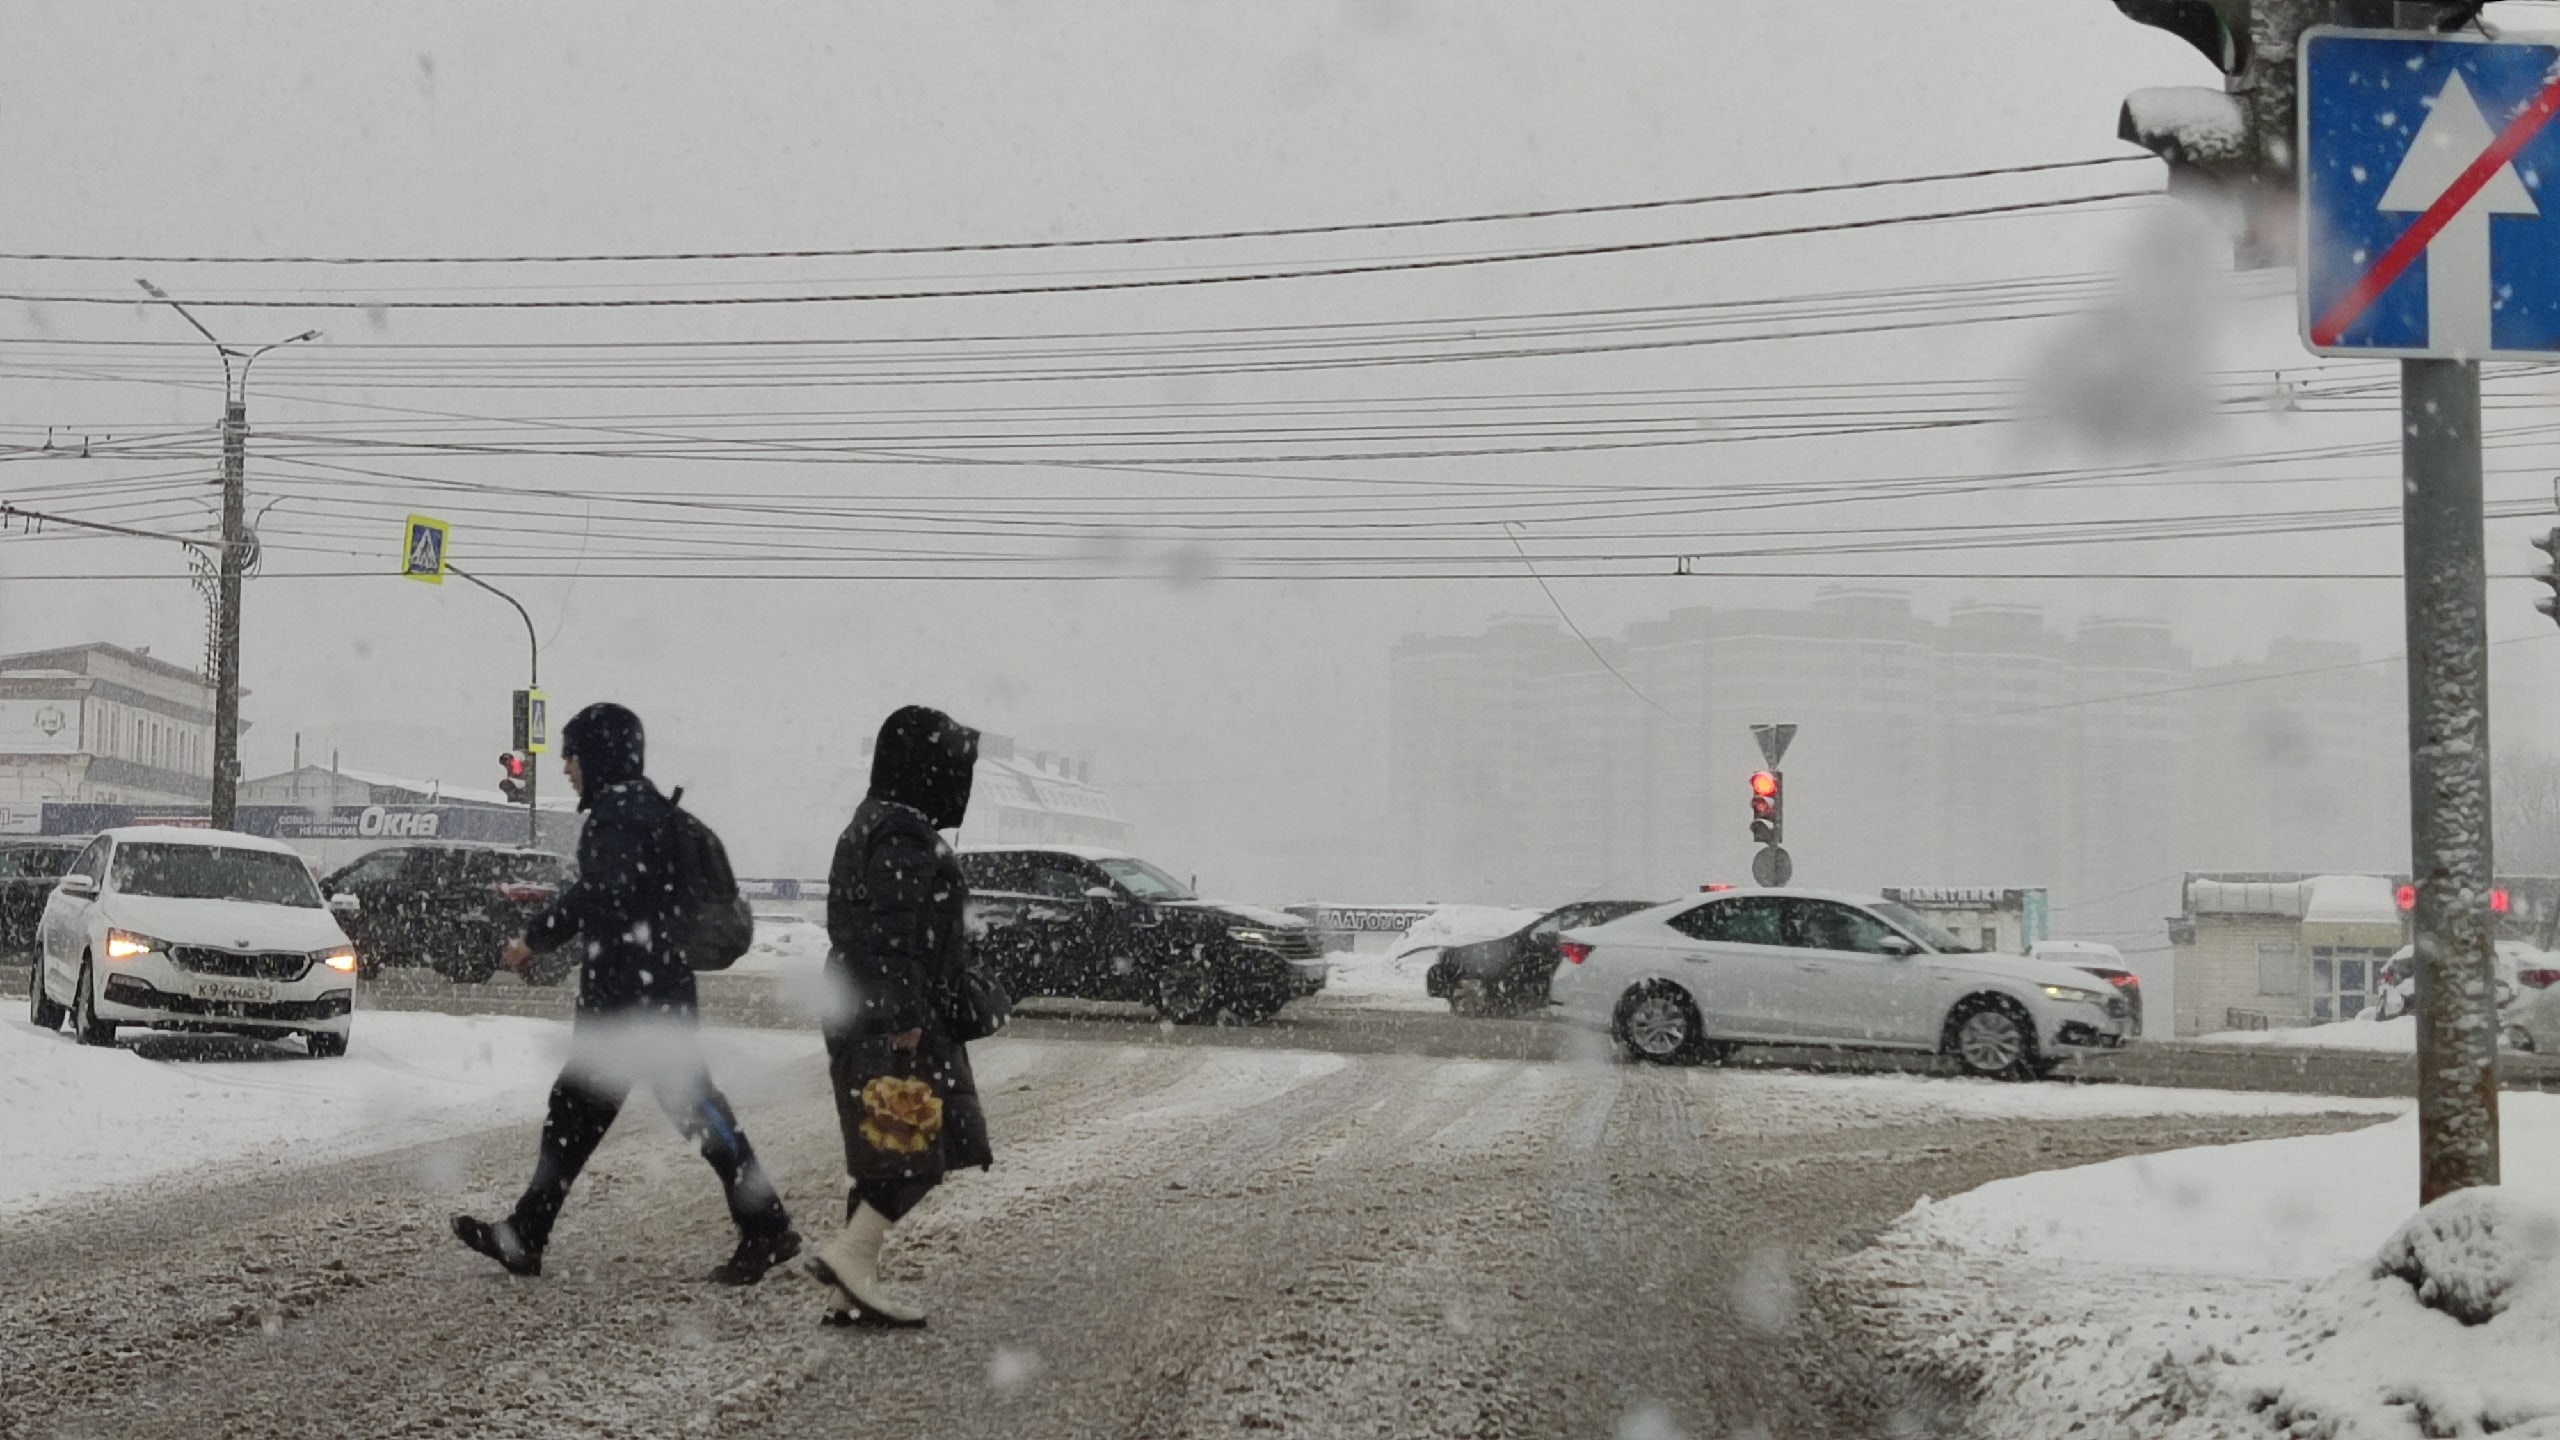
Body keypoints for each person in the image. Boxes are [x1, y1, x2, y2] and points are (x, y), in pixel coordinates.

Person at [451, 702, 801, 1284]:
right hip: (651, 991)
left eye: (572, 753)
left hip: (633, 1000)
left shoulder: (621, 816)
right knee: (600, 1114)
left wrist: (535, 938)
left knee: (664, 1114)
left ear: (599, 755)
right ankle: (527, 1234)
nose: (566, 766)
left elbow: (603, 896)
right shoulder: (646, 809)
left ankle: (766, 1227)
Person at [805, 704, 992, 1328]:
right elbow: (896, 931)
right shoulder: (904, 833)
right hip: (894, 1019)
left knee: (889, 1150)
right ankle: (851, 1256)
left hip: (866, 1007)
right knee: (916, 1152)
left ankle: (850, 1289)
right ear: (924, 767)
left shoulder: (876, 821)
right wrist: (904, 1015)